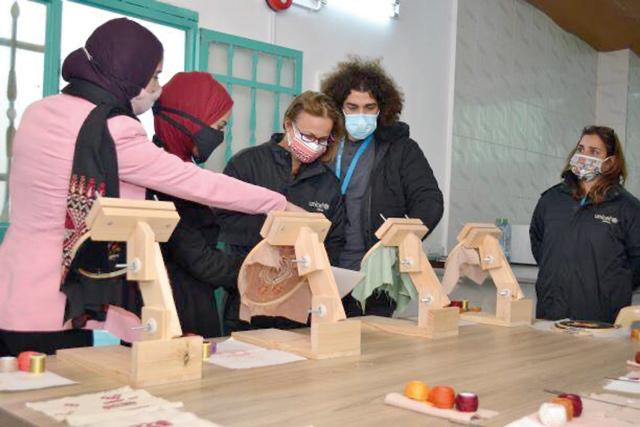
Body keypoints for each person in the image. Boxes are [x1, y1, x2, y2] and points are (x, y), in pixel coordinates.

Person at [0, 19, 299, 356]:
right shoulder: (112, 130)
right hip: (60, 300)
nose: (158, 88)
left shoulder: (38, 111)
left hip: (12, 286)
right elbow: (196, 183)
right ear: (128, 73)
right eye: (154, 75)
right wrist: (279, 204)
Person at [320, 56, 444, 317]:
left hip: (376, 275)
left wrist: (400, 239)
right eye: (352, 107)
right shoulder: (322, 144)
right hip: (323, 270)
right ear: (337, 107)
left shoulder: (401, 149)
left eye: (369, 107)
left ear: (382, 109)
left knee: (372, 353)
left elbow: (429, 200)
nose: (360, 115)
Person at [217, 91, 346, 332]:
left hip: (300, 303)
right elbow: (222, 222)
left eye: (322, 140)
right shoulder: (247, 164)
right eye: (308, 136)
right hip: (247, 298)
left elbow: (335, 240)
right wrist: (276, 239)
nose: (314, 145)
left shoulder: (328, 183)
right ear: (288, 125)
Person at [149, 71, 242, 338]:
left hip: (193, 296)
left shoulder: (180, 165)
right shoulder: (163, 175)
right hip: (177, 307)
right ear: (191, 121)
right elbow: (197, 257)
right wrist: (254, 271)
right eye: (219, 127)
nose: (220, 136)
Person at [530, 126, 640, 323]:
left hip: (601, 319)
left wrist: (611, 287)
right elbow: (539, 244)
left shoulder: (627, 207)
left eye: (594, 152)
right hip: (551, 314)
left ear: (610, 162)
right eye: (581, 149)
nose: (584, 156)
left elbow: (637, 262)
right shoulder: (551, 200)